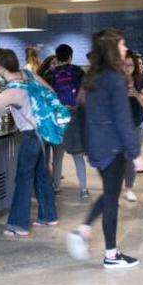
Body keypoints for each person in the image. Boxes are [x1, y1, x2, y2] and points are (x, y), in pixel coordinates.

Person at [67, 28, 143, 269]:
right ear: (112, 48)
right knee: (112, 200)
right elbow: (122, 118)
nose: (124, 49)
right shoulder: (115, 78)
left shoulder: (92, 76)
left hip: (96, 146)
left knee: (110, 192)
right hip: (113, 147)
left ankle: (83, 229)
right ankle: (111, 254)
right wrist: (135, 153)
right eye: (121, 45)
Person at [0, 49, 58, 236]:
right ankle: (48, 216)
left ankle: (18, 225)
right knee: (41, 174)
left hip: (32, 136)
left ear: (1, 66)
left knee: (23, 178)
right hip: (45, 132)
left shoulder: (12, 90)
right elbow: (51, 90)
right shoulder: (28, 74)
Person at [43, 43, 89, 201]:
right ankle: (83, 189)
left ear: (57, 56)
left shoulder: (49, 74)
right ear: (71, 56)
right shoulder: (78, 72)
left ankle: (56, 187)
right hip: (75, 117)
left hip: (57, 118)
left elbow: (45, 98)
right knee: (78, 155)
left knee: (57, 155)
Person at [123, 50, 143, 202]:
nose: (128, 68)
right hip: (118, 127)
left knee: (130, 159)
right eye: (125, 65)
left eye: (131, 65)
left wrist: (136, 94)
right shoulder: (115, 81)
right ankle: (114, 189)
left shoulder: (140, 81)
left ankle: (128, 188)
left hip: (136, 125)